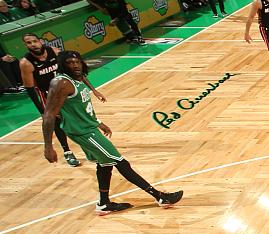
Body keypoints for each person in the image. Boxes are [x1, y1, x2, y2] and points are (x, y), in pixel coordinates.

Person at [40, 51, 183, 215]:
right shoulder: (61, 83)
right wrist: (48, 146)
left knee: (105, 163)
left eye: (77, 61)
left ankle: (104, 203)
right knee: (120, 162)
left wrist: (98, 122)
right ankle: (160, 197)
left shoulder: (77, 79)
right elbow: (49, 115)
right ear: (62, 65)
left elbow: (81, 108)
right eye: (70, 63)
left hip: (90, 128)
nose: (75, 65)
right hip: (83, 132)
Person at [21, 33, 87, 166]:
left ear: (40, 41)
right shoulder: (26, 63)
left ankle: (88, 146)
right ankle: (67, 151)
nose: (33, 44)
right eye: (29, 43)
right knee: (56, 122)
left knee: (78, 116)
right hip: (47, 95)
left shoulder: (55, 52)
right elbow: (30, 89)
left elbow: (70, 70)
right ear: (25, 45)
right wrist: (42, 111)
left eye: (34, 41)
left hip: (64, 90)